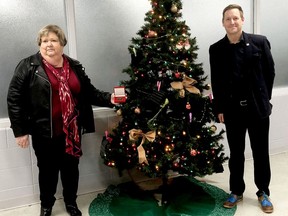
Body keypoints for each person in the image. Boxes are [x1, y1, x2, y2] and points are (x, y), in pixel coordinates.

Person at [7, 24, 116, 216]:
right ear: (40, 44)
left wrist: (111, 99)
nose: (49, 44)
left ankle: (71, 203)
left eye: (53, 40)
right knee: (47, 171)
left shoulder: (74, 66)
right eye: (45, 40)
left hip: (72, 131)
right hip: (44, 131)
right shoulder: (28, 66)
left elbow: (89, 93)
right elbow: (14, 99)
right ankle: (46, 206)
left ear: (62, 43)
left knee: (70, 170)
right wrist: (20, 131)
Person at [209, 4, 275, 214]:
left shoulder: (259, 42)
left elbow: (270, 73)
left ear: (242, 20)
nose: (232, 22)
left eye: (235, 18)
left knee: (260, 152)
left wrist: (264, 100)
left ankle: (263, 192)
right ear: (223, 22)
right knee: (236, 153)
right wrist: (219, 107)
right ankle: (236, 191)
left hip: (257, 109)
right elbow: (217, 81)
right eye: (228, 19)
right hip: (232, 111)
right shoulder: (216, 49)